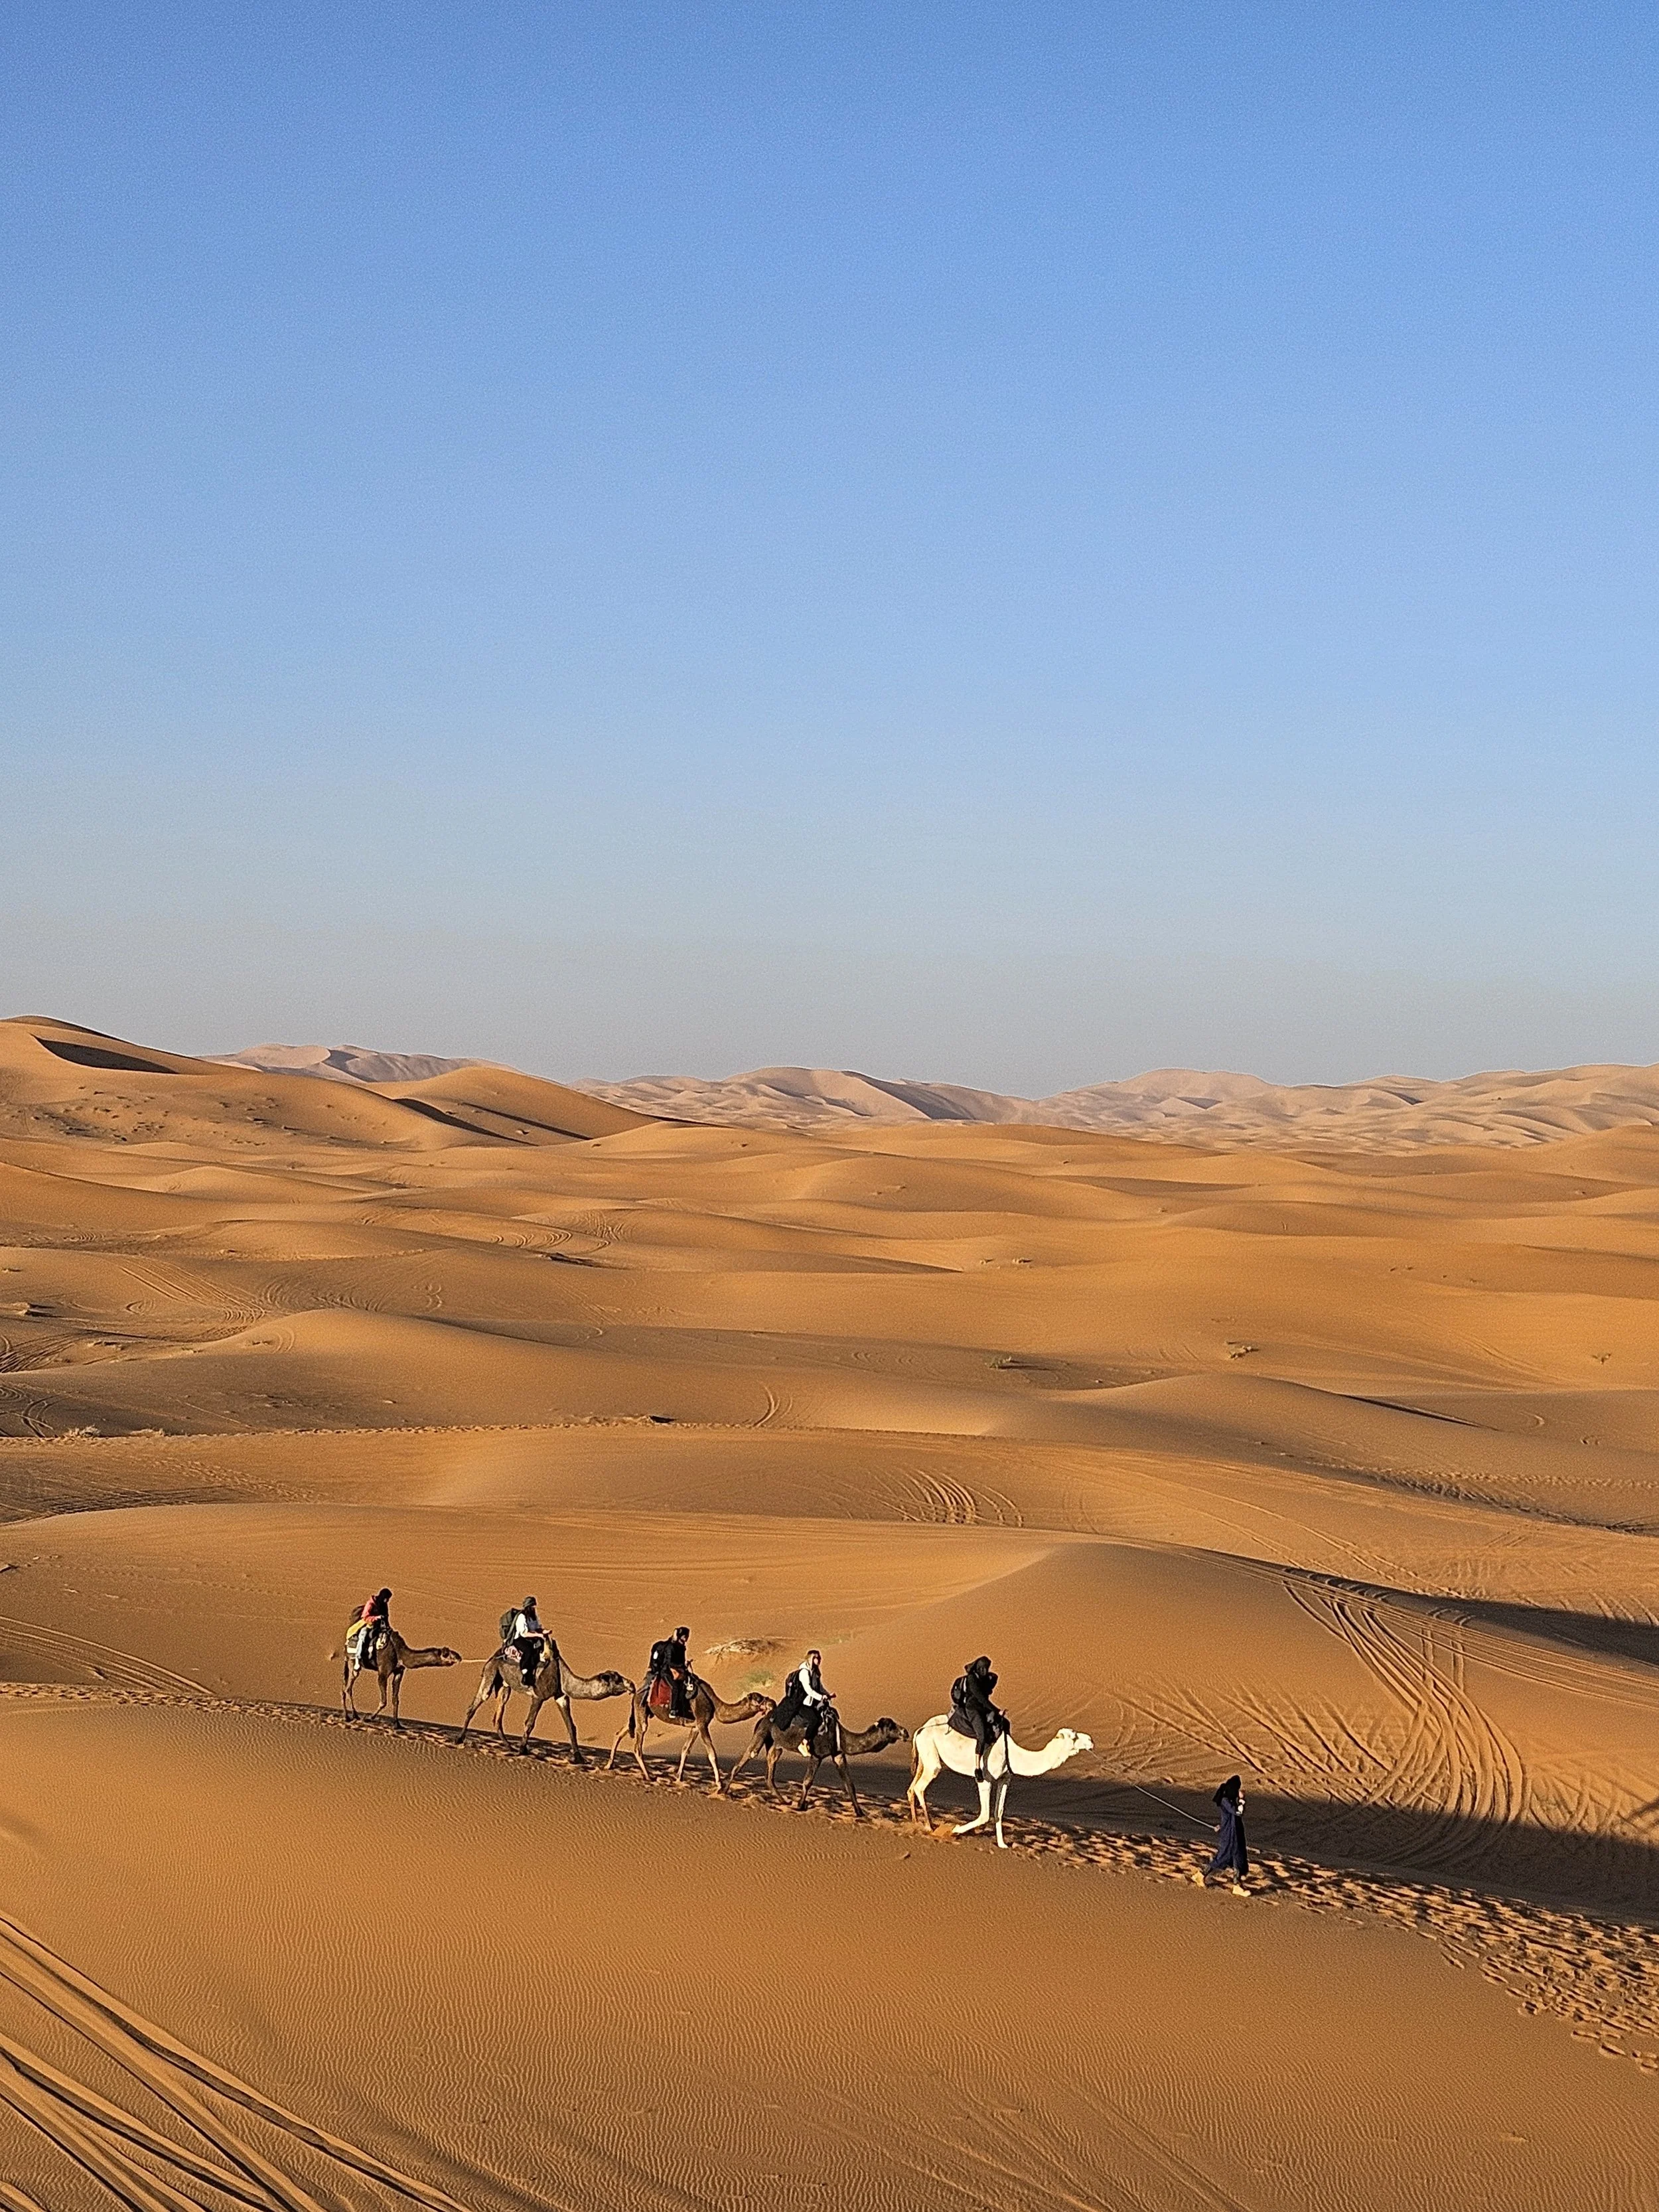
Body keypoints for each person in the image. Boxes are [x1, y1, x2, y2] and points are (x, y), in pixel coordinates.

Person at [949, 1655, 1006, 1780]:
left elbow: (989, 1689)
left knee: (1003, 1724)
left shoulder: (983, 1679)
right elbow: (980, 1697)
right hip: (973, 1709)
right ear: (978, 1668)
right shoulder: (972, 1679)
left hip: (983, 1708)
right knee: (982, 1735)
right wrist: (996, 1710)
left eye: (987, 1668)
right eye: (983, 1668)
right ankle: (977, 1768)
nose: (985, 1671)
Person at [1196, 1775, 1250, 1893]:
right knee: (1223, 1857)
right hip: (1229, 1835)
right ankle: (1201, 1874)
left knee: (1238, 1857)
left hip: (1236, 1833)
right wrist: (1242, 1800)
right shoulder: (1225, 1800)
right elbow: (1237, 1812)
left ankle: (1237, 1885)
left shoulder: (1230, 1799)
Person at [772, 1649, 834, 1751]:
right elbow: (809, 1690)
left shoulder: (815, 1673)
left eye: (819, 1658)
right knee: (814, 1720)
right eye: (816, 1658)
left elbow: (819, 1688)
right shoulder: (804, 1673)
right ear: (811, 1659)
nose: (819, 1660)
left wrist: (828, 1695)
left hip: (811, 1702)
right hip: (800, 1703)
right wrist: (821, 1697)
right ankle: (804, 1743)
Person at [646, 1626, 693, 1719]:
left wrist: (685, 1665)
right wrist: (682, 1665)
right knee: (675, 1687)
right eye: (685, 1636)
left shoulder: (682, 1647)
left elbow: (681, 1659)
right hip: (667, 1672)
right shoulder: (671, 1647)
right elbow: (669, 1662)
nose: (687, 1638)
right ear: (681, 1636)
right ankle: (673, 1710)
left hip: (678, 1670)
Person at [508, 1595, 546, 1689]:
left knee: (540, 1649)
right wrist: (539, 1635)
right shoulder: (522, 1617)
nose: (534, 1608)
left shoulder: (534, 1617)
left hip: (532, 1638)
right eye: (533, 1606)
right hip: (521, 1639)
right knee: (529, 1651)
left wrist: (545, 1632)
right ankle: (525, 1672)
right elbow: (524, 1633)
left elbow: (537, 1628)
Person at [351, 1588, 392, 1670]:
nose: (387, 1600)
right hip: (368, 1626)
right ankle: (357, 1659)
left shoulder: (384, 1605)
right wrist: (376, 1618)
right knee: (362, 1637)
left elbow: (386, 1617)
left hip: (380, 1627)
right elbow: (365, 1617)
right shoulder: (371, 1604)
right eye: (386, 1598)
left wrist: (388, 1627)